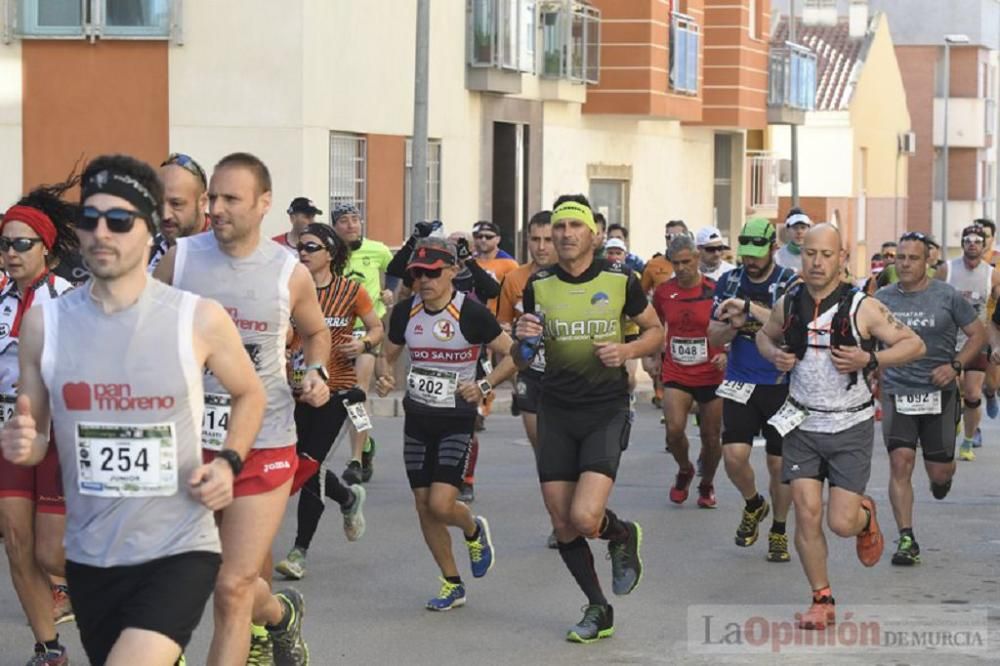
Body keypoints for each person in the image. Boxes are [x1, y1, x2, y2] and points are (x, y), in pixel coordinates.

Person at [2, 153, 268, 666]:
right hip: (91, 555)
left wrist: (229, 461)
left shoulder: (197, 319)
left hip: (178, 546)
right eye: (91, 219)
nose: (103, 232)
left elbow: (250, 393)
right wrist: (25, 442)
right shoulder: (45, 326)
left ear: (149, 231)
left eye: (119, 220)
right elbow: (35, 436)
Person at [155, 152, 329, 664]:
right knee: (209, 573)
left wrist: (315, 371)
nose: (219, 208)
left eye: (232, 198)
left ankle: (267, 614)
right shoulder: (180, 260)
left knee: (232, 587)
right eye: (214, 198)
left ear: (264, 203)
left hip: (266, 443)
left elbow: (316, 333)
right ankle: (280, 614)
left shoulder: (288, 273)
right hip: (191, 446)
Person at [756, 223, 925, 629]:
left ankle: (864, 517)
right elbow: (764, 336)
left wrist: (871, 360)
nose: (816, 262)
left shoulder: (860, 306)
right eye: (810, 253)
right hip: (801, 421)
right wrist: (774, 355)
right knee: (806, 511)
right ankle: (822, 597)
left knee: (840, 522)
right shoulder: (791, 300)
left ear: (842, 259)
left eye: (826, 255)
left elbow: (914, 344)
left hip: (850, 425)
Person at [514, 197, 663, 643]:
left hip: (605, 407)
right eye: (558, 227)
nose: (564, 235)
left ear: (593, 235)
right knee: (562, 521)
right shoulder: (537, 285)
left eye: (574, 226)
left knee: (583, 515)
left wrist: (627, 351)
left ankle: (620, 534)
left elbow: (657, 332)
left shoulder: (621, 280)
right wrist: (522, 342)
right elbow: (524, 358)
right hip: (555, 408)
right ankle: (598, 607)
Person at [374, 238, 515, 611]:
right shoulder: (405, 313)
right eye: (418, 273)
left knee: (440, 503)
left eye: (433, 273)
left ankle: (472, 529)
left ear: (452, 272)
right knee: (423, 505)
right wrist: (384, 375)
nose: (424, 280)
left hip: (455, 418)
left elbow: (514, 354)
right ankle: (452, 582)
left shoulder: (469, 313)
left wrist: (485, 385)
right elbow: (387, 356)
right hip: (418, 418)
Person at [275, 223, 383, 581]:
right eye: (300, 247)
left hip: (336, 391)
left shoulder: (351, 291)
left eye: (311, 247)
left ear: (331, 254)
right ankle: (348, 499)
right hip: (293, 390)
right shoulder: (289, 290)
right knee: (301, 464)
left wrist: (364, 344)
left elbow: (376, 327)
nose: (303, 252)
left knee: (308, 466)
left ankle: (299, 552)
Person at [0, 179, 79, 665]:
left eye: (21, 244)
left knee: (51, 555)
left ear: (45, 248)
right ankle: (48, 649)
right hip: (9, 431)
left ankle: (124, 606)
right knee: (15, 540)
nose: (10, 253)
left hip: (57, 434)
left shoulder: (69, 299)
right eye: (4, 244)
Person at [875, 231, 984, 566]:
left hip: (939, 394)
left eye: (913, 258)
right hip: (898, 392)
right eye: (901, 258)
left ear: (928, 262)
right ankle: (906, 537)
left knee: (938, 472)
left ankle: (942, 481)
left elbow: (977, 333)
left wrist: (954, 366)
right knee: (900, 461)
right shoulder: (881, 298)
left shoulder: (947, 296)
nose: (905, 264)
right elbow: (864, 334)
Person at [708, 218, 799, 562]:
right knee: (733, 457)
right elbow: (713, 338)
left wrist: (748, 311)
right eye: (745, 254)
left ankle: (778, 529)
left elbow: (791, 331)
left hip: (780, 384)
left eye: (756, 254)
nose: (750, 261)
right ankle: (753, 503)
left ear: (773, 249)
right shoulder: (729, 281)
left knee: (779, 465)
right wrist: (730, 328)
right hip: (740, 380)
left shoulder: (788, 282)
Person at [496, 210, 555, 545]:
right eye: (535, 239)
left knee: (569, 451)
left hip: (570, 377)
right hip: (531, 374)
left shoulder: (571, 278)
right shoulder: (515, 278)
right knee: (545, 452)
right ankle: (558, 520)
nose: (542, 246)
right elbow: (503, 327)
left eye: (548, 239)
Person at [653, 234, 725, 508]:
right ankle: (685, 468)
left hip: (711, 373)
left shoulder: (715, 290)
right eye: (676, 263)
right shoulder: (664, 292)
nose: (681, 268)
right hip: (677, 370)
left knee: (711, 437)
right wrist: (653, 356)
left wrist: (726, 354)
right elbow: (655, 324)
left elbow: (732, 327)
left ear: (696, 259)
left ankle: (707, 483)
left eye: (686, 262)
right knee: (673, 430)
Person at [332, 202, 394, 486]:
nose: (351, 225)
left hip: (367, 330)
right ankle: (367, 446)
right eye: (344, 220)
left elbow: (398, 268)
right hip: (332, 331)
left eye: (355, 219)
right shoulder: (328, 252)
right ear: (335, 226)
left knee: (357, 392)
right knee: (339, 396)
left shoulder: (377, 249)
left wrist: (390, 290)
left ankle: (355, 459)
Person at [934, 224, 1000, 460]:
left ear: (984, 246)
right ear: (962, 244)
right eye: (968, 239)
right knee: (954, 388)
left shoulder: (991, 274)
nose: (972, 243)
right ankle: (956, 418)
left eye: (977, 240)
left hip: (976, 340)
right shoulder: (946, 270)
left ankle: (968, 442)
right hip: (948, 340)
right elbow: (933, 299)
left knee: (973, 393)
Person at [641, 220, 688, 408]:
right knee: (661, 356)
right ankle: (661, 392)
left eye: (677, 236)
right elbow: (641, 293)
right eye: (669, 237)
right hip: (660, 319)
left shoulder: (693, 262)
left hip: (685, 318)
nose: (672, 240)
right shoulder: (654, 264)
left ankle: (676, 392)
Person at [148, 153, 210, 273]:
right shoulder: (145, 248)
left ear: (202, 203)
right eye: (159, 203)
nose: (165, 215)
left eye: (176, 204)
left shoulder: (224, 251)